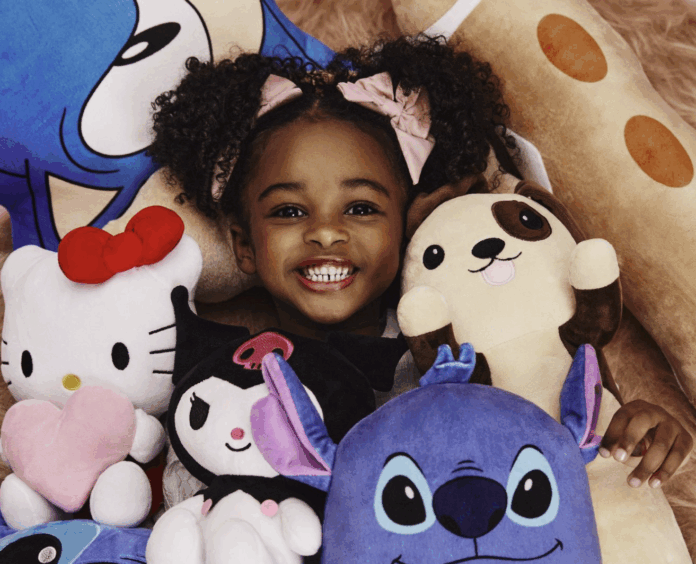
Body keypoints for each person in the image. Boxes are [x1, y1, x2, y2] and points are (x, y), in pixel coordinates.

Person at [148, 35, 691, 493]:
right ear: (244, 244)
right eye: (289, 211)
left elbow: (554, 440)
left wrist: (626, 430)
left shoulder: (470, 355)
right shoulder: (225, 384)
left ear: (406, 228)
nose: (327, 232)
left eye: (361, 208)